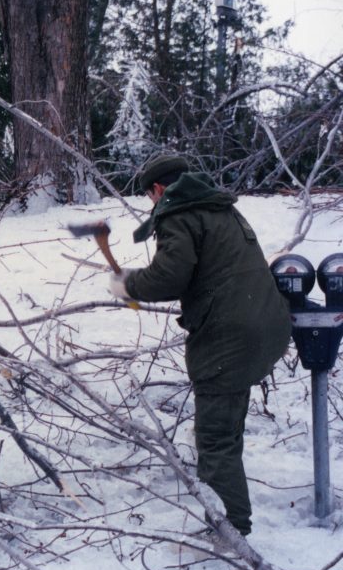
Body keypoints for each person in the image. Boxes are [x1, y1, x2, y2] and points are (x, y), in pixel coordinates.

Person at [109, 154, 291, 539]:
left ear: (159, 190)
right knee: (226, 425)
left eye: (150, 198)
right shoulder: (216, 207)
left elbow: (168, 278)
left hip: (230, 335)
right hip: (265, 326)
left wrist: (128, 285)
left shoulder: (180, 213)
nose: (152, 206)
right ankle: (231, 512)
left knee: (214, 440)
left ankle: (231, 529)